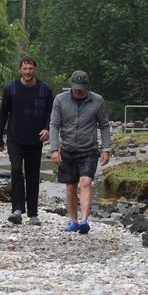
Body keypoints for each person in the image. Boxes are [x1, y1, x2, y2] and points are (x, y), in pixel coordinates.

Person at [49, 70, 111, 234]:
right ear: (71, 85)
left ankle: (84, 220)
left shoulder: (97, 101)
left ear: (86, 87)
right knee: (70, 186)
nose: (77, 91)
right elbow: (54, 125)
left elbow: (104, 125)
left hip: (89, 149)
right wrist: (54, 149)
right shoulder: (60, 100)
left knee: (85, 182)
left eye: (81, 88)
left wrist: (106, 148)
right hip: (68, 149)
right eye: (75, 88)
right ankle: (73, 220)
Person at [0, 56, 54, 226]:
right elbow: (3, 113)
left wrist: (47, 128)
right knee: (16, 170)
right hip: (15, 138)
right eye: (24, 69)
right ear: (19, 69)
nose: (27, 72)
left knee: (33, 175)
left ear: (35, 69)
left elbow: (51, 113)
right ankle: (17, 209)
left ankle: (33, 213)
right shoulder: (10, 88)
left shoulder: (45, 90)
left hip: (35, 139)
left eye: (30, 69)